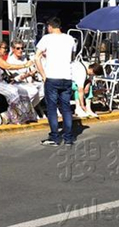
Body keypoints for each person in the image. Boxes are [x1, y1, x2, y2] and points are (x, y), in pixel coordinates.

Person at [35, 18, 76, 146]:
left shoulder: (47, 38)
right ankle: (68, 138)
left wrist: (43, 75)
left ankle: (54, 137)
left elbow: (37, 57)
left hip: (52, 76)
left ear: (50, 27)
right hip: (66, 76)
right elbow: (72, 57)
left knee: (52, 108)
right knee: (66, 107)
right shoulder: (70, 39)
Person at [0, 41, 38, 124]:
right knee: (13, 90)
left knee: (22, 90)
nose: (6, 50)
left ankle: (26, 115)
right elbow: (8, 66)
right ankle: (14, 117)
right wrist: (25, 65)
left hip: (1, 82)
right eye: (4, 48)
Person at [6, 40, 45, 109]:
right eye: (18, 48)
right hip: (16, 83)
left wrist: (34, 71)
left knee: (43, 88)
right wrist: (29, 74)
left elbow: (30, 68)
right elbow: (16, 78)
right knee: (33, 91)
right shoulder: (10, 61)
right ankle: (20, 109)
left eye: (22, 48)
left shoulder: (24, 58)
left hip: (28, 82)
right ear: (13, 49)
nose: (20, 50)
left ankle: (28, 109)